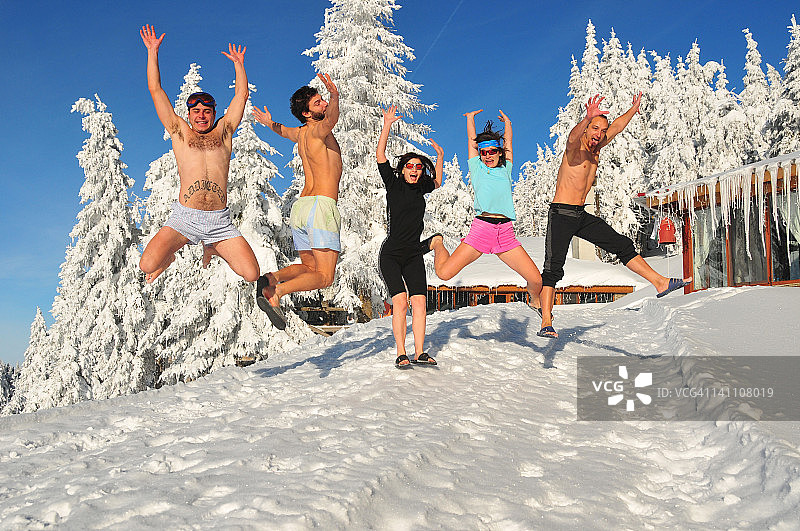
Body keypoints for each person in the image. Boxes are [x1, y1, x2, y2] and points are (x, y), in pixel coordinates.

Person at [538, 93, 691, 339]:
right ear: (587, 128)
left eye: (602, 130)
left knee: (622, 245)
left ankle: (661, 283)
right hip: (561, 214)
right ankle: (546, 320)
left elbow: (617, 126)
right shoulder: (574, 149)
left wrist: (633, 109)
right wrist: (585, 117)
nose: (599, 133)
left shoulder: (597, 147)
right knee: (553, 268)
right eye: (594, 128)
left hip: (580, 215)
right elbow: (571, 137)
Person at [138, 25, 259, 285]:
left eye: (207, 111)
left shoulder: (225, 132)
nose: (201, 115)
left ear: (214, 114)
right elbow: (155, 89)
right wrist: (152, 52)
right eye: (196, 111)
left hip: (219, 221)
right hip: (185, 218)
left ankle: (213, 246)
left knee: (251, 274)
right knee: (146, 264)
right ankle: (170, 257)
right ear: (189, 115)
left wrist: (239, 64)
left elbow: (241, 95)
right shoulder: (180, 132)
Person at [429, 110, 543, 315]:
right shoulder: (478, 169)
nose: (488, 155)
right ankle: (437, 243)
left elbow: (508, 145)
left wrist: (508, 123)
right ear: (480, 155)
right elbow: (471, 142)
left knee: (536, 279)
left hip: (505, 233)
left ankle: (534, 301)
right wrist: (470, 119)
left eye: (492, 151)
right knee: (444, 274)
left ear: (499, 153)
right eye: (484, 152)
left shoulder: (506, 168)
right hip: (481, 230)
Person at [252, 74, 342, 330]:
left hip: (301, 209)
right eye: (317, 103)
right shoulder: (317, 130)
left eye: (323, 100)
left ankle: (271, 279)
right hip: (321, 207)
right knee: (325, 277)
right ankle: (276, 294)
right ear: (306, 113)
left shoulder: (301, 133)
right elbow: (332, 120)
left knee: (308, 267)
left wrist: (270, 124)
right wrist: (335, 96)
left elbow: (284, 131)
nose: (323, 104)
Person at [377, 106, 443, 368]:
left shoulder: (421, 189)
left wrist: (439, 156)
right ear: (402, 169)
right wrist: (387, 124)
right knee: (400, 303)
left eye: (418, 167)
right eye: (410, 167)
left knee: (419, 302)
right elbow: (380, 155)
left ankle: (420, 352)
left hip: (414, 253)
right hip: (392, 254)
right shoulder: (393, 184)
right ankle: (401, 352)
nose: (415, 170)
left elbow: (437, 181)